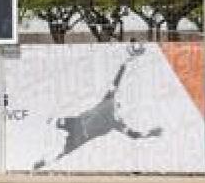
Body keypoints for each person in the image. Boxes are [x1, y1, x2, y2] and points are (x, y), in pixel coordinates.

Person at [33, 52, 162, 170]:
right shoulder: (109, 102)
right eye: (119, 105)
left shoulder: (117, 122)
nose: (118, 107)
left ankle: (43, 163)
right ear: (118, 105)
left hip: (80, 135)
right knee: (54, 123)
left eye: (120, 108)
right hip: (76, 123)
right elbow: (115, 83)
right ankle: (38, 122)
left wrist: (150, 134)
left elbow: (133, 135)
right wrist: (125, 63)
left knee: (63, 152)